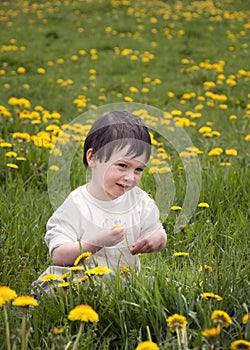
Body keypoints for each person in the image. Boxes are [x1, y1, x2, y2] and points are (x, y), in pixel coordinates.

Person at [34, 110, 167, 292]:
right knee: (55, 282)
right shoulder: (77, 204)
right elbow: (59, 255)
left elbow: (157, 233)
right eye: (122, 165)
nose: (130, 177)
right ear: (93, 158)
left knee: (164, 287)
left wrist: (157, 240)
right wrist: (97, 242)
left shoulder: (139, 201)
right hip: (84, 280)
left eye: (138, 170)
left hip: (125, 282)